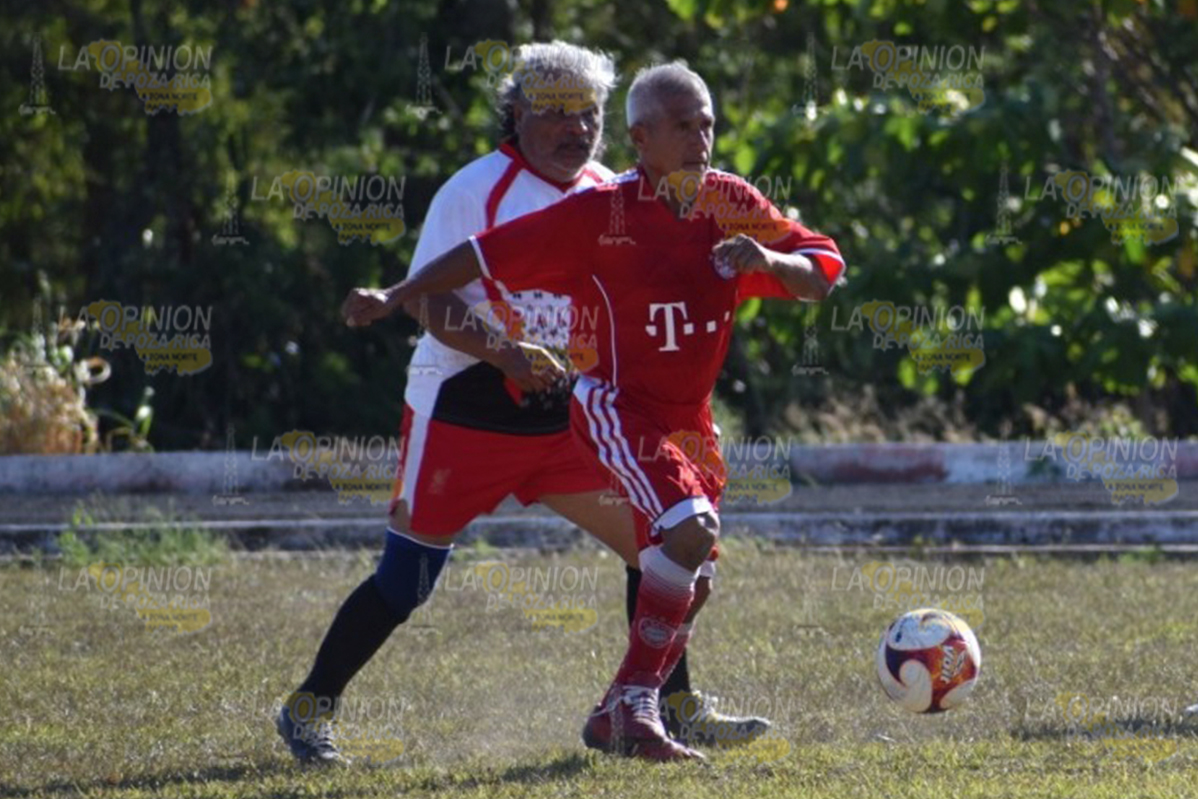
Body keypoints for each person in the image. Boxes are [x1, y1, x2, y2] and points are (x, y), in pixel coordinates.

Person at [278, 44, 765, 766]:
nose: (576, 129)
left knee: (665, 543)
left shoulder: (611, 190)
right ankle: (307, 709)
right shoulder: (474, 190)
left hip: (569, 418)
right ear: (515, 115)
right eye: (556, 112)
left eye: (589, 114)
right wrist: (506, 353)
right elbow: (429, 301)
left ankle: (663, 708)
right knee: (406, 580)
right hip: (465, 412)